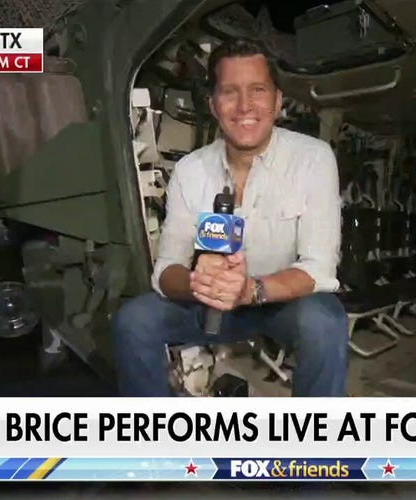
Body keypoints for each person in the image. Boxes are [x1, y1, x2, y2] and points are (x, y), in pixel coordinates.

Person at [111, 37, 348, 397]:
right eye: (229, 92)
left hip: (279, 304)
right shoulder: (191, 170)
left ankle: (315, 444)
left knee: (325, 321)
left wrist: (249, 290)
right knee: (135, 319)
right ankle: (152, 445)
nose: (244, 106)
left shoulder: (314, 159)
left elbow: (319, 269)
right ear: (212, 104)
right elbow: (166, 271)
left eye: (258, 90)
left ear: (278, 100)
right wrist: (196, 283)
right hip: (206, 304)